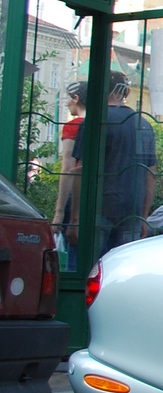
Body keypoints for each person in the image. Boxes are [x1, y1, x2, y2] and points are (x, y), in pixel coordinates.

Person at [68, 71, 157, 252]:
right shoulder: (144, 125)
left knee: (91, 267)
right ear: (126, 93)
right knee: (122, 269)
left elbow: (80, 172)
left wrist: (75, 218)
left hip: (98, 208)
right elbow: (150, 175)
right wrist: (143, 216)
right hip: (132, 210)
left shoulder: (94, 121)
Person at [50, 79, 88, 269]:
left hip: (75, 198)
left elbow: (67, 167)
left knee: (72, 259)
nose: (66, 104)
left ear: (76, 98)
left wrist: (59, 212)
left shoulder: (74, 126)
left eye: (68, 99)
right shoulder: (103, 123)